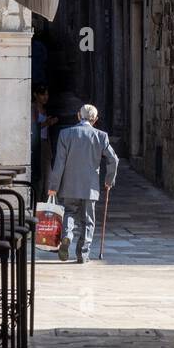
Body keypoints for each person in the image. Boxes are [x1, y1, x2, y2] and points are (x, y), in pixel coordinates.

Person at [48, 102, 118, 262]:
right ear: (95, 119)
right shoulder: (101, 136)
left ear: (78, 116)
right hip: (90, 186)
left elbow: (59, 163)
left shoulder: (65, 134)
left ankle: (67, 236)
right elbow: (113, 160)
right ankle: (83, 254)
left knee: (69, 213)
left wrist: (53, 187)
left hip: (68, 185)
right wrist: (109, 180)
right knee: (88, 220)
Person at [30, 83, 56, 196]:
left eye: (46, 94)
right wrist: (47, 123)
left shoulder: (44, 109)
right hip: (37, 144)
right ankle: (37, 202)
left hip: (45, 143)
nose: (45, 97)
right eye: (42, 94)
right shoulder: (33, 108)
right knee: (39, 176)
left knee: (48, 176)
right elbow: (33, 126)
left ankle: (45, 204)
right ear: (35, 95)